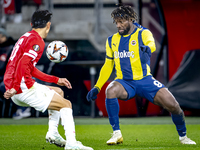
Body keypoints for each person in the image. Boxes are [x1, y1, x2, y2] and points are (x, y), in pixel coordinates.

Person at [86, 5, 196, 145]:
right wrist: (97, 86)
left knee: (174, 106)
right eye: (117, 22)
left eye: (122, 22)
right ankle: (116, 134)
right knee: (110, 90)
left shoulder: (143, 33)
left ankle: (183, 137)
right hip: (124, 82)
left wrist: (147, 49)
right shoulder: (111, 40)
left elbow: (152, 45)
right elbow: (108, 65)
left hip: (145, 80)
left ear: (131, 19)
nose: (119, 25)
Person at [3, 10, 93, 150]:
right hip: (22, 87)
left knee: (58, 92)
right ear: (48, 25)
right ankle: (71, 143)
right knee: (67, 104)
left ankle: (53, 133)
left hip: (17, 87)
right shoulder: (37, 41)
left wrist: (56, 80)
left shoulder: (25, 36)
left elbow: (29, 68)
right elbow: (22, 64)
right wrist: (15, 86)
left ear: (32, 24)